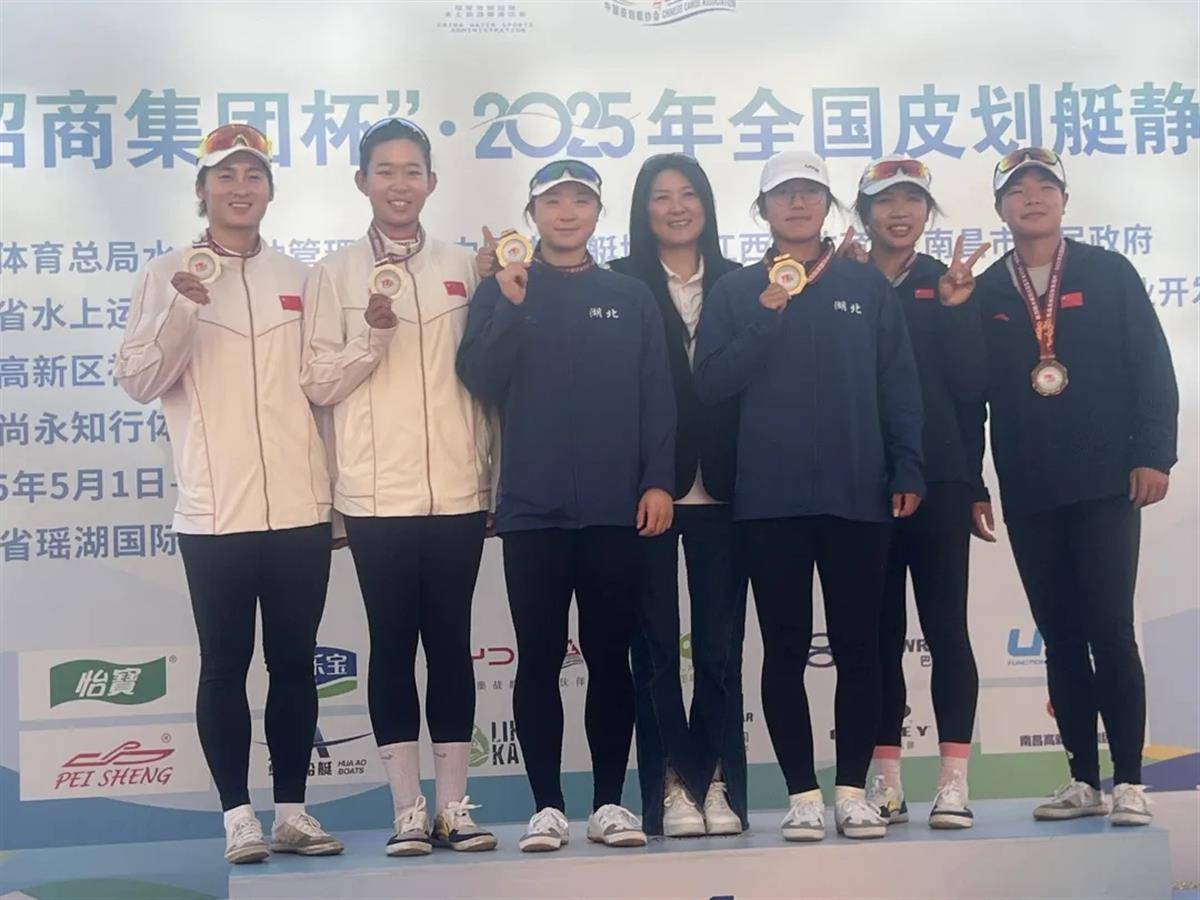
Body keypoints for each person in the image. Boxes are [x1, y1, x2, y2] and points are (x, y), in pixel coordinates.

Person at [116, 124, 343, 864]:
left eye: (253, 176)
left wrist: (335, 497)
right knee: (223, 665)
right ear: (202, 190)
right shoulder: (166, 274)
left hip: (300, 510)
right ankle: (237, 816)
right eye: (225, 176)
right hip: (214, 513)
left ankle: (294, 812)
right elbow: (140, 380)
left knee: (295, 663)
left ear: (270, 190)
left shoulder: (301, 277)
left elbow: (321, 391)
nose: (240, 188)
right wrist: (181, 309)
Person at [694, 150, 925, 842]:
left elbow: (898, 384)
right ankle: (800, 793)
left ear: (828, 205)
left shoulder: (865, 285)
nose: (797, 204)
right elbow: (710, 384)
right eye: (783, 194)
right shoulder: (737, 290)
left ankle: (851, 791)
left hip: (859, 496)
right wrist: (765, 318)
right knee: (784, 649)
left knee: (861, 649)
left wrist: (908, 468)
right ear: (762, 208)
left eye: (810, 193)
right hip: (771, 501)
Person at [457, 159, 676, 853]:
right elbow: (479, 377)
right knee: (539, 658)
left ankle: (609, 803)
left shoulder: (629, 296)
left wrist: (658, 480)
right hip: (532, 509)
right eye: (553, 201)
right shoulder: (505, 287)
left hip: (616, 510)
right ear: (533, 213)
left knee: (611, 658)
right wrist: (509, 305)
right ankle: (546, 806)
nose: (567, 212)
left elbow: (657, 394)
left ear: (598, 212)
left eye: (581, 200)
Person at [300, 118, 497, 856]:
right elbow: (317, 383)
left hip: (456, 490)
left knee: (451, 643)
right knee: (390, 644)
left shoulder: (465, 267)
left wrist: (491, 477)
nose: (399, 184)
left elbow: (489, 381)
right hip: (375, 497)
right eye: (385, 171)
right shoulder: (334, 274)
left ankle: (454, 808)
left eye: (412, 171)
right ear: (362, 182)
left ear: (432, 182)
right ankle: (407, 809)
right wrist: (372, 337)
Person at [968, 147, 1178, 827]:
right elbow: (969, 394)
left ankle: (1132, 781)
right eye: (1017, 190)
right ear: (1000, 207)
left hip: (1106, 481)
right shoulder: (987, 290)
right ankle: (1083, 778)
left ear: (1063, 199)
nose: (1032, 198)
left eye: (1044, 187)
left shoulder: (1108, 272)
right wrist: (972, 479)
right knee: (1059, 636)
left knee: (1110, 630)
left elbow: (1151, 366)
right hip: (1030, 485)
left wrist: (1154, 455)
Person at [608, 153, 747, 838]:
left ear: (707, 204)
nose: (676, 207)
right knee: (656, 651)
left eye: (688, 194)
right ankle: (669, 786)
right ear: (644, 209)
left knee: (720, 650)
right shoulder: (619, 283)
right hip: (648, 490)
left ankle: (715, 782)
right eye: (661, 196)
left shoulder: (742, 281)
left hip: (727, 487)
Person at [853, 155, 989, 829]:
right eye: (886, 201)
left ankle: (954, 782)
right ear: (864, 213)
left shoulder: (950, 283)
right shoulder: (839, 283)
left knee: (946, 630)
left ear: (928, 212)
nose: (900, 213)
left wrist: (975, 482)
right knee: (878, 636)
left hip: (940, 479)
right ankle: (885, 781)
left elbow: (971, 390)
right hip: (861, 484)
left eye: (912, 201)